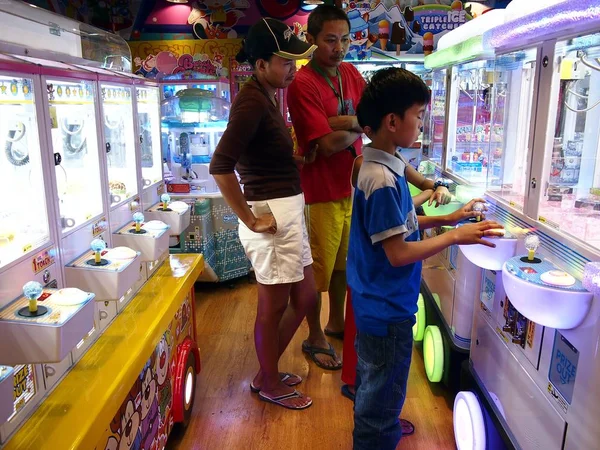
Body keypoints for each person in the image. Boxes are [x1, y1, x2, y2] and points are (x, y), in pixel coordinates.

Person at [287, 5, 452, 371]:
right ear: (312, 40)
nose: (339, 47)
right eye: (330, 40)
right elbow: (328, 144)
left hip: (354, 184)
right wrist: (357, 126)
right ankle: (314, 335)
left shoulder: (349, 73)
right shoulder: (302, 84)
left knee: (350, 264)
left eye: (344, 39)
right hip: (322, 191)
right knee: (316, 271)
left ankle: (337, 324)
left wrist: (342, 124)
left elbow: (367, 123)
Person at [348, 67, 503, 449]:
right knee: (381, 395)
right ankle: (376, 435)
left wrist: (447, 218)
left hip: (377, 304)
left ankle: (379, 423)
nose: (421, 123)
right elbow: (398, 252)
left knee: (378, 386)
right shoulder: (381, 178)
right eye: (418, 115)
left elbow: (396, 224)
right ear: (392, 120)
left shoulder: (381, 165)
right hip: (386, 310)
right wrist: (453, 236)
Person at [209, 18, 318, 410]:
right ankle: (269, 381)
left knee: (304, 296)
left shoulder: (266, 95)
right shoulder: (254, 99)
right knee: (271, 307)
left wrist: (291, 159)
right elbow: (221, 165)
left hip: (285, 209)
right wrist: (250, 220)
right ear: (259, 64)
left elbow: (256, 156)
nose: (292, 69)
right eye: (284, 61)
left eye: (294, 62)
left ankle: (266, 371)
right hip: (269, 214)